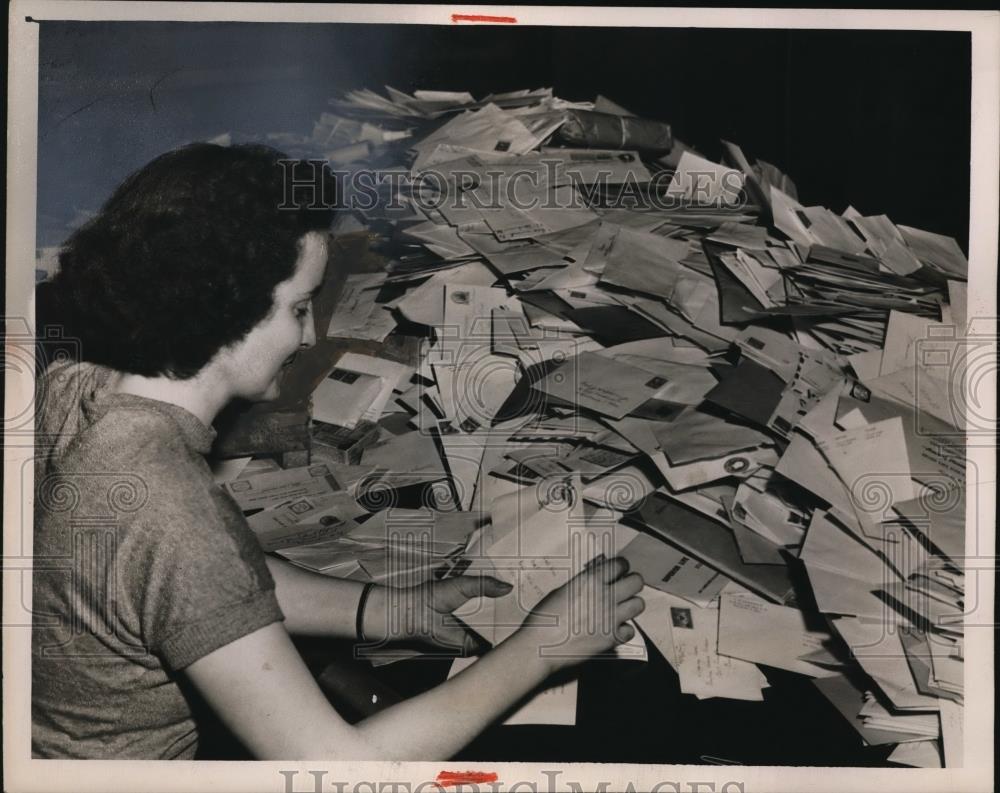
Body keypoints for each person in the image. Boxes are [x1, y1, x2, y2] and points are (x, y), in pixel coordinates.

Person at [32, 143, 645, 760]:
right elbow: (342, 768)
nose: (307, 335)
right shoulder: (172, 506)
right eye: (298, 308)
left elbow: (196, 580)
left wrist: (390, 611)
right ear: (226, 309)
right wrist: (545, 646)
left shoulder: (74, 389)